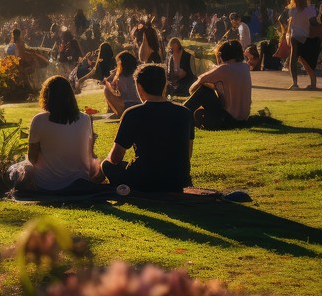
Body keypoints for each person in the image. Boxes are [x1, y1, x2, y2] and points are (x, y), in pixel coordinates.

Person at [101, 64, 194, 193]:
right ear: (164, 85)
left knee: (106, 164)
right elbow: (187, 154)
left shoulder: (133, 114)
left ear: (139, 87)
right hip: (178, 180)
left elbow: (115, 158)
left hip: (143, 181)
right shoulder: (185, 113)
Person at [9, 76, 101, 192]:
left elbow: (32, 158)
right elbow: (89, 153)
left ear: (47, 96)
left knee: (14, 171)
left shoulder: (39, 120)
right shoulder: (85, 119)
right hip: (81, 179)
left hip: (48, 184)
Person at [185, 40, 252, 129]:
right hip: (242, 119)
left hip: (227, 119)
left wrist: (194, 92)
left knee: (204, 90)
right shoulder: (245, 67)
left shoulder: (224, 69)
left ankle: (180, 113)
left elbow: (200, 80)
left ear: (221, 54)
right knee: (207, 90)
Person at [283, 0, 320, 90]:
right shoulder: (309, 9)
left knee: (294, 59)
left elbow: (289, 24)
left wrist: (287, 34)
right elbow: (313, 22)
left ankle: (295, 83)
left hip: (295, 37)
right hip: (306, 36)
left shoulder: (292, 10)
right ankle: (313, 82)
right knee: (306, 61)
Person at [102, 51, 141, 118]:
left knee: (107, 89)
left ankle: (117, 113)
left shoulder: (119, 75)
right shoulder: (139, 72)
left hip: (126, 106)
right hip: (141, 103)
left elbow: (105, 82)